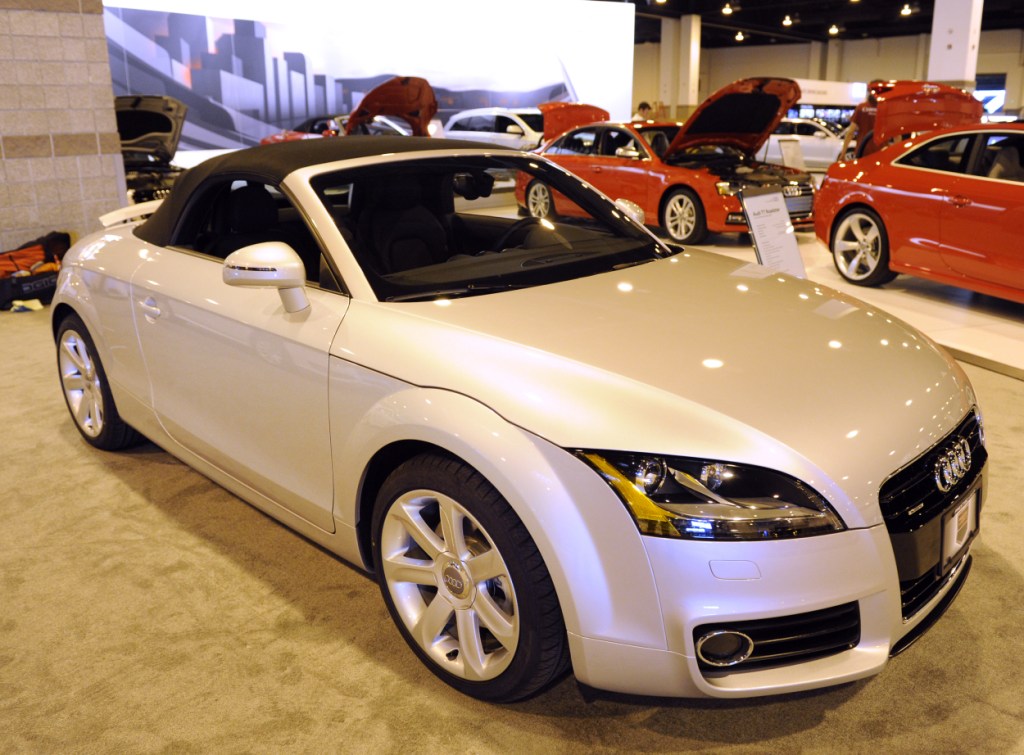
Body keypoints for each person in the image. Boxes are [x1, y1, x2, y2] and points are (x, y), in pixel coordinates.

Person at [840, 80, 883, 159]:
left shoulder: (861, 107)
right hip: (881, 154)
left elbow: (850, 132)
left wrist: (843, 153)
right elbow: (897, 136)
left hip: (862, 151)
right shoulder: (886, 109)